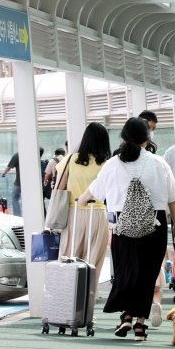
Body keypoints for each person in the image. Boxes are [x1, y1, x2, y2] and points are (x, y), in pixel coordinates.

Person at [78, 117, 175, 341]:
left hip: (122, 227)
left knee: (126, 274)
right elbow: (173, 198)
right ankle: (139, 325)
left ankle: (126, 316)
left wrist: (81, 201)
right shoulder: (159, 163)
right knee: (146, 276)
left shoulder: (112, 164)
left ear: (123, 138)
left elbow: (91, 193)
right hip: (154, 226)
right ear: (147, 138)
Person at [56, 123, 111, 295]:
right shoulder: (107, 164)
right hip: (98, 214)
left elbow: (59, 188)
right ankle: (86, 306)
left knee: (69, 258)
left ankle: (66, 302)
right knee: (92, 262)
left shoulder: (70, 159)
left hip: (73, 213)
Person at [1, 152, 22, 216]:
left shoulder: (17, 155)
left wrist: (3, 173)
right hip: (30, 183)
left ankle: (18, 215)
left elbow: (9, 167)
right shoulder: (32, 154)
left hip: (19, 183)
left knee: (15, 198)